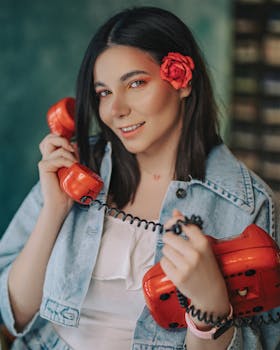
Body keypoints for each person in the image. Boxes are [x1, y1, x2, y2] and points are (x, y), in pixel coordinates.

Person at [0, 6, 279, 350]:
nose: (115, 110)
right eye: (104, 92)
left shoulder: (248, 203)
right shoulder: (74, 167)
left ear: (182, 80)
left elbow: (263, 341)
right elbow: (13, 315)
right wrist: (53, 212)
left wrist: (210, 309)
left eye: (135, 83)